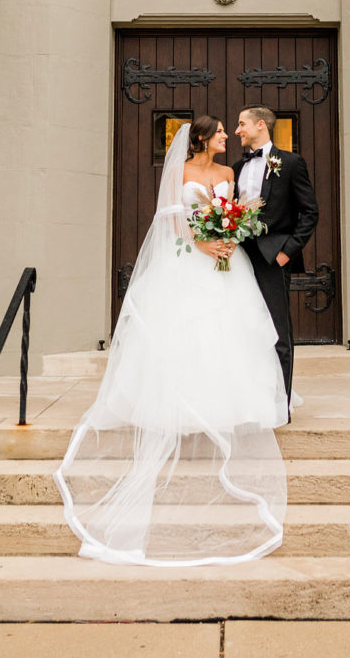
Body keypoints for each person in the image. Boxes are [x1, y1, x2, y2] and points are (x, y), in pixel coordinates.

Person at [54, 117, 289, 566]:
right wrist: (201, 246)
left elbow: (235, 212)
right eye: (221, 132)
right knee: (183, 336)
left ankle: (226, 408)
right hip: (185, 261)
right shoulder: (180, 173)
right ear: (201, 139)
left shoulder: (227, 176)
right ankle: (177, 408)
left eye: (229, 131)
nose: (226, 137)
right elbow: (170, 221)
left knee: (226, 337)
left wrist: (227, 238)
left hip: (225, 260)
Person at [234, 105, 319, 413]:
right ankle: (248, 400)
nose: (237, 130)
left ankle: (280, 405)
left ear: (260, 125)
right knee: (244, 328)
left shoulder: (292, 163)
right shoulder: (237, 166)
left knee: (277, 331)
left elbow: (310, 212)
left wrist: (287, 252)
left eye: (242, 124)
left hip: (273, 258)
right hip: (239, 259)